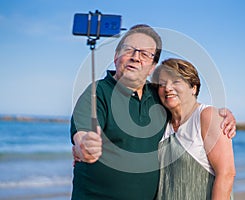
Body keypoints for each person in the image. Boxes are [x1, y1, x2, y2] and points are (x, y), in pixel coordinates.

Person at [70, 24, 236, 199]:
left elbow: (188, 109)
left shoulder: (158, 96)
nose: (135, 57)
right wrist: (84, 146)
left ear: (152, 67)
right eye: (129, 50)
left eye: (144, 54)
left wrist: (224, 116)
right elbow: (82, 134)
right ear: (116, 56)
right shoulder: (97, 93)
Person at [151, 58, 235, 200]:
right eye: (162, 83)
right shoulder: (163, 122)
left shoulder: (207, 116)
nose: (167, 88)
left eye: (176, 81)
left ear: (193, 88)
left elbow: (226, 174)